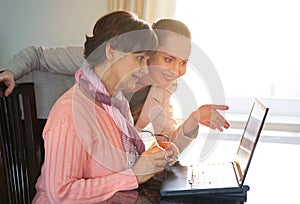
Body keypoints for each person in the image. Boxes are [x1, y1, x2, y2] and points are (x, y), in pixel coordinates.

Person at [0, 16, 230, 153]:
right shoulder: (102, 58)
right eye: (168, 59)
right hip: (35, 118)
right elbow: (38, 55)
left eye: (183, 62)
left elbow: (165, 140)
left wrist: (192, 121)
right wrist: (10, 71)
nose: (176, 71)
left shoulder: (163, 88)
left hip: (85, 144)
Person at [31, 10, 172, 203]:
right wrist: (134, 175)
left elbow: (116, 165)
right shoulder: (71, 112)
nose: (145, 69)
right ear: (111, 51)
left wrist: (153, 160)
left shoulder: (116, 104)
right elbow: (61, 193)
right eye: (139, 58)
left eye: (147, 61)